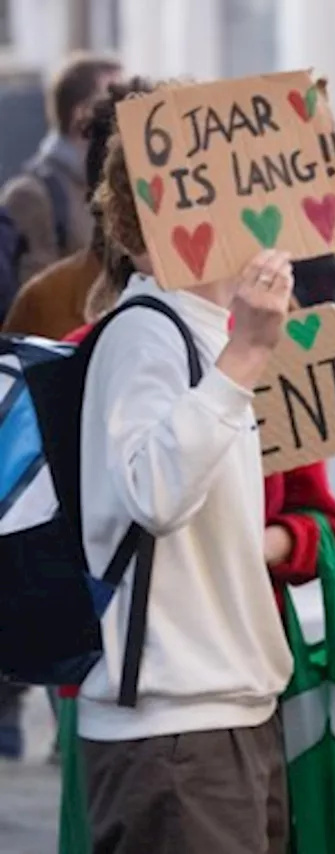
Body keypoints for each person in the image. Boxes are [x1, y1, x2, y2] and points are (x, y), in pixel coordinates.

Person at [76, 122, 297, 852]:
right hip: (174, 728)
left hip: (220, 713)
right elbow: (156, 495)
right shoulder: (145, 332)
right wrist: (246, 357)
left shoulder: (203, 331)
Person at [0, 74, 148, 767]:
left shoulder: (248, 333)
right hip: (93, 650)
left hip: (224, 673)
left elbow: (310, 509)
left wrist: (280, 541)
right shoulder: (52, 300)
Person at [0, 53, 122, 288]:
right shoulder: (32, 195)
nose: (126, 110)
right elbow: (33, 306)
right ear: (82, 114)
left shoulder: (112, 186)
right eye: (115, 99)